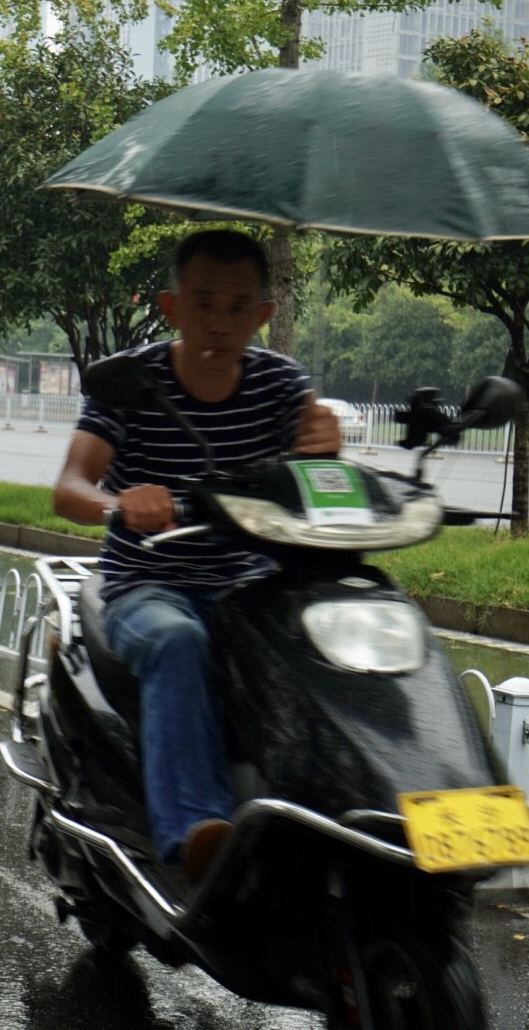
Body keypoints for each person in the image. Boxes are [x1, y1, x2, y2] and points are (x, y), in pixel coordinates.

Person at [52, 230, 341, 882]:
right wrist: (119, 505)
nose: (220, 321)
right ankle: (195, 833)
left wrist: (327, 452)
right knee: (179, 639)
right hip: (147, 584)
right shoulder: (132, 383)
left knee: (334, 643)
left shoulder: (281, 384)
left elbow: (317, 488)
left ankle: (333, 813)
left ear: (263, 317)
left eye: (239, 307)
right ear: (172, 307)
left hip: (253, 585)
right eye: (204, 302)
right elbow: (69, 489)